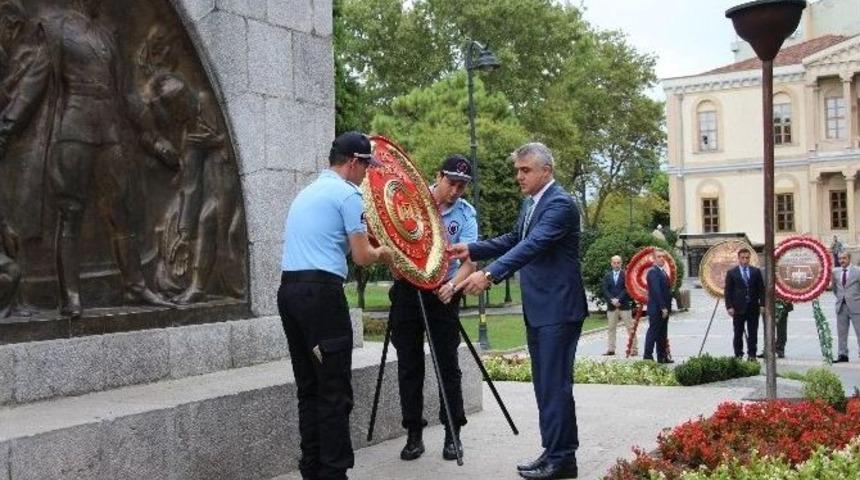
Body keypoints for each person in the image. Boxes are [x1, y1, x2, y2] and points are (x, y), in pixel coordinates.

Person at [452, 142, 587, 480]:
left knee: (555, 386)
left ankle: (562, 459)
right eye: (517, 170)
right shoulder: (531, 204)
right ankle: (555, 453)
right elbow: (515, 237)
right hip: (541, 310)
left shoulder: (560, 205)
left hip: (558, 309)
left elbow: (532, 245)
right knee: (546, 385)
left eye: (525, 170)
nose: (518, 176)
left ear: (546, 171)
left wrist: (489, 274)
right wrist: (471, 248)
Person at [278, 131, 392, 480]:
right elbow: (361, 256)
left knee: (309, 387)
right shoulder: (347, 195)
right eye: (367, 166)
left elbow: (329, 245)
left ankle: (311, 469)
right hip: (321, 297)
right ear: (354, 162)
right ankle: (333, 473)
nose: (367, 174)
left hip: (290, 292)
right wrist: (384, 252)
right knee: (334, 389)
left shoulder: (308, 192)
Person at [390, 154, 477, 462]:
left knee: (447, 366)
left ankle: (453, 432)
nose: (455, 191)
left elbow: (470, 260)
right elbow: (390, 239)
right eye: (452, 183)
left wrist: (454, 286)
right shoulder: (409, 200)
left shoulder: (466, 214)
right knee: (409, 366)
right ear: (439, 176)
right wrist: (395, 264)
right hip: (408, 292)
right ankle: (413, 433)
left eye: (462, 186)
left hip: (444, 293)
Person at [724, 248, 764, 361]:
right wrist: (729, 307)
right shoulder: (732, 273)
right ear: (739, 258)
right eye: (743, 258)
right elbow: (728, 291)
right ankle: (738, 355)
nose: (745, 260)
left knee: (753, 333)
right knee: (738, 333)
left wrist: (762, 305)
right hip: (737, 308)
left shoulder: (756, 272)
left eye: (747, 258)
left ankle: (752, 355)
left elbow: (761, 289)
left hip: (753, 308)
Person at [602, 255, 636, 356]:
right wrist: (612, 299)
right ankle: (611, 349)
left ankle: (633, 349)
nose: (616, 265)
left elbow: (627, 288)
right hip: (612, 306)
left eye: (618, 263)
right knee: (611, 328)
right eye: (614, 263)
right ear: (611, 263)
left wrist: (618, 299)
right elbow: (605, 289)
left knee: (630, 328)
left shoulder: (626, 275)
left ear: (621, 263)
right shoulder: (607, 276)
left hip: (624, 305)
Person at [643, 249, 673, 363]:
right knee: (653, 332)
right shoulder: (653, 272)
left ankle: (662, 356)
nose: (661, 258)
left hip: (664, 308)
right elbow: (656, 291)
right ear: (654, 259)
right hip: (657, 308)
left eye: (663, 256)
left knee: (663, 333)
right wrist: (663, 307)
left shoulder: (663, 271)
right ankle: (648, 356)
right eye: (659, 256)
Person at [832, 252, 860, 363]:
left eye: (844, 258)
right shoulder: (835, 272)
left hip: (856, 306)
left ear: (849, 258)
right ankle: (842, 355)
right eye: (839, 259)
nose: (841, 260)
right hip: (841, 307)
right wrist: (841, 298)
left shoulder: (857, 271)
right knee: (841, 333)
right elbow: (835, 289)